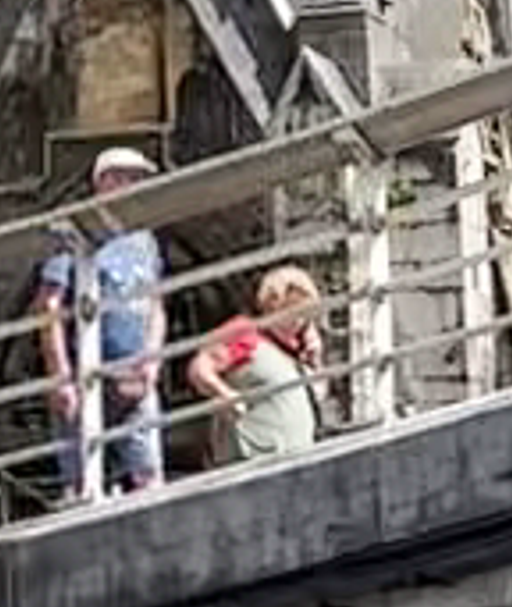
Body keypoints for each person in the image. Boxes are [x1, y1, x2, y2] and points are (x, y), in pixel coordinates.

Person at [32, 144, 168, 501]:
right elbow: (49, 306)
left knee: (148, 474)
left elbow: (155, 304)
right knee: (81, 480)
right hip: (87, 375)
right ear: (105, 181)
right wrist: (61, 375)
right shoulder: (73, 233)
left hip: (135, 374)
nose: (136, 186)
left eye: (140, 179)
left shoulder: (144, 240)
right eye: (129, 178)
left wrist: (152, 359)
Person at [189, 261, 325, 466]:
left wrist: (316, 361)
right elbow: (200, 368)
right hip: (253, 461)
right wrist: (225, 394)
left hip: (297, 461)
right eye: (291, 309)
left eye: (304, 313)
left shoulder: (298, 349)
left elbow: (320, 396)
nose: (298, 321)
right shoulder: (246, 333)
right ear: (271, 306)